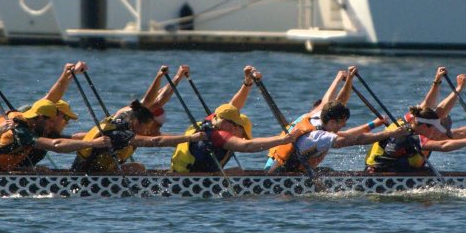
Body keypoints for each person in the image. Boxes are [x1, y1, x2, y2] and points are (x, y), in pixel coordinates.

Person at [265, 66, 407, 173]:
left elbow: (338, 101)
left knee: (328, 172)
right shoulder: (319, 136)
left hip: (276, 165)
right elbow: (356, 140)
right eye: (341, 124)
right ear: (332, 122)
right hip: (280, 174)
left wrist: (349, 80)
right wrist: (390, 134)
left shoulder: (315, 116)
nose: (341, 127)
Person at [0, 61, 88, 171]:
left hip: (8, 172)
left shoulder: (37, 121)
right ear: (45, 117)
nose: (67, 123)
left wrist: (68, 74)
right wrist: (94, 143)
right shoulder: (20, 129)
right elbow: (56, 145)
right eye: (66, 118)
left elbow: (51, 97)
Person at [0, 99, 113, 171]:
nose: (51, 126)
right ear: (41, 118)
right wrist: (92, 144)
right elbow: (56, 145)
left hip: (4, 171)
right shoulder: (20, 131)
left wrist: (102, 133)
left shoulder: (37, 126)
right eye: (51, 122)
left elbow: (70, 138)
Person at [171, 101, 309, 173]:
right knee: (238, 173)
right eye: (234, 125)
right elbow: (247, 146)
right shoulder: (217, 135)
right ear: (225, 122)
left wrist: (247, 84)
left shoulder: (209, 121)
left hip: (179, 171)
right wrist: (282, 140)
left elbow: (231, 107)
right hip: (193, 180)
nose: (234, 128)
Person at [365, 104, 466, 173]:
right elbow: (444, 146)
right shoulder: (413, 135)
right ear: (426, 126)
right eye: (435, 130)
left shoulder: (421, 127)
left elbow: (460, 133)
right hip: (379, 173)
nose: (437, 134)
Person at [72, 100, 204, 173]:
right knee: (137, 168)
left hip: (95, 168)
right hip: (87, 173)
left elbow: (156, 101)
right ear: (136, 122)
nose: (146, 132)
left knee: (138, 167)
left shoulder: (121, 118)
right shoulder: (121, 134)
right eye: (145, 128)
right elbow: (156, 141)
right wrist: (190, 139)